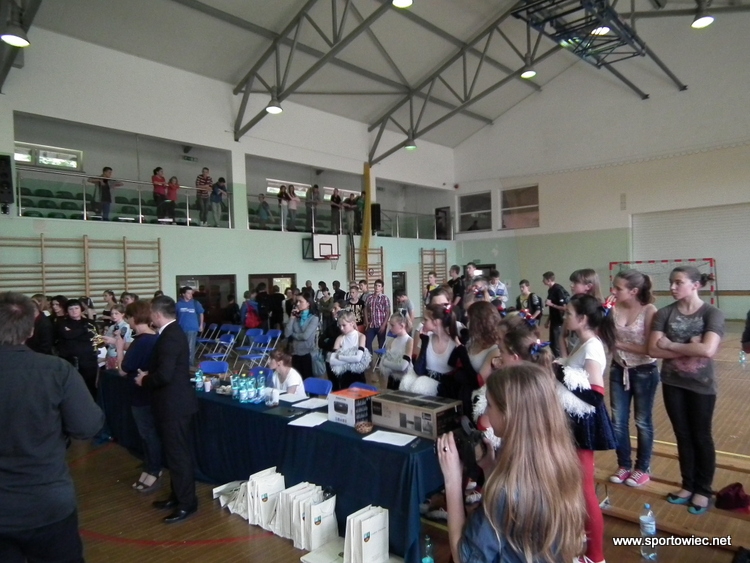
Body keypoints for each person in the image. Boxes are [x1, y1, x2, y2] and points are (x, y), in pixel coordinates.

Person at [436, 362, 586, 563]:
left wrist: (452, 481)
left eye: (489, 405)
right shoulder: (561, 465)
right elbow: (509, 526)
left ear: (508, 417)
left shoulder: (506, 490)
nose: (486, 413)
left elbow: (463, 558)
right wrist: (490, 469)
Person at [0, 292, 104, 563]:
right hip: (46, 500)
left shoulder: (58, 368)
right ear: (31, 330)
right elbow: (87, 426)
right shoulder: (57, 370)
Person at [648, 266, 723, 515]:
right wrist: (691, 346)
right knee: (682, 435)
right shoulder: (664, 313)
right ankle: (688, 485)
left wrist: (671, 344)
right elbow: (653, 349)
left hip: (701, 386)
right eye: (671, 282)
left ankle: (703, 490)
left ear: (695, 285)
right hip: (673, 383)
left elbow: (708, 350)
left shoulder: (711, 313)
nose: (672, 287)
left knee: (701, 436)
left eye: (678, 282)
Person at [562, 294, 617, 563]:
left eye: (568, 313)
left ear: (582, 319)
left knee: (585, 490)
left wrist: (560, 374)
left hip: (584, 424)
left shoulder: (593, 347)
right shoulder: (581, 342)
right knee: (576, 487)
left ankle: (596, 556)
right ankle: (581, 541)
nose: (564, 317)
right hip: (574, 421)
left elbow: (595, 394)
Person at [135, 296, 198, 523]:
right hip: (171, 405)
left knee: (178, 456)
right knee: (174, 454)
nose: (150, 317)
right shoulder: (170, 332)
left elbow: (164, 375)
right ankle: (177, 495)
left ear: (157, 314)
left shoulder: (170, 336)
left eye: (151, 313)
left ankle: (187, 503)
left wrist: (144, 379)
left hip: (175, 406)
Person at [608, 269, 659, 488]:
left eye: (618, 288)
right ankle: (624, 465)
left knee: (642, 421)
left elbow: (650, 348)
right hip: (619, 368)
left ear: (634, 291)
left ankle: (642, 468)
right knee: (618, 421)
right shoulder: (613, 308)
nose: (613, 291)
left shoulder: (649, 311)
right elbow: (604, 335)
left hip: (644, 371)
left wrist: (618, 344)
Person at [115, 300, 161, 492]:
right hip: (152, 393)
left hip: (140, 395)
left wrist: (119, 348)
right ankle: (151, 467)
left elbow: (123, 370)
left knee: (148, 434)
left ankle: (154, 470)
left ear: (133, 318)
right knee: (149, 433)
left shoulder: (140, 341)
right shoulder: (155, 337)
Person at [56, 298, 100, 398]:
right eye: (71, 309)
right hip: (71, 361)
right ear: (67, 311)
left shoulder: (90, 323)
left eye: (76, 308)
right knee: (72, 387)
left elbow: (98, 340)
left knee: (91, 387)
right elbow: (66, 335)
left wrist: (74, 333)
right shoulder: (62, 323)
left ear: (81, 309)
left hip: (89, 361)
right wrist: (84, 331)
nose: (74, 311)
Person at [413, 302, 459, 382]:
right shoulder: (426, 339)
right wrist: (424, 344)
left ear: (435, 322)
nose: (423, 322)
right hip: (427, 380)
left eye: (426, 319)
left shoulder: (454, 343)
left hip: (446, 384)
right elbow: (418, 369)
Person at [329, 311, 371, 390]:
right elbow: (332, 361)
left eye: (344, 325)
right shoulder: (339, 338)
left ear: (352, 323)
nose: (341, 328)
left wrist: (340, 357)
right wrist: (351, 360)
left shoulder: (361, 336)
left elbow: (358, 358)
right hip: (344, 377)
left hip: (358, 375)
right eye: (340, 325)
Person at [284, 293, 319, 379]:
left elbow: (305, 336)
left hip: (307, 353)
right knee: (297, 379)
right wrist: (291, 318)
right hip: (295, 352)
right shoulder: (296, 317)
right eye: (297, 301)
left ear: (308, 303)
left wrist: (293, 334)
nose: (298, 304)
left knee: (308, 379)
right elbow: (287, 333)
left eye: (300, 301)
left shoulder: (314, 318)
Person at [377, 312, 414, 389]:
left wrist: (386, 363)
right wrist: (391, 364)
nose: (390, 328)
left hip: (403, 382)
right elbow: (384, 363)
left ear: (402, 326)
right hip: (391, 379)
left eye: (392, 325)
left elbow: (402, 366)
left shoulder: (409, 341)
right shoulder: (392, 341)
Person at [176, 286, 204, 367]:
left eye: (191, 293)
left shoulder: (195, 303)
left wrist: (201, 325)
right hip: (181, 329)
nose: (190, 295)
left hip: (192, 328)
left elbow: (201, 314)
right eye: (188, 293)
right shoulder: (178, 304)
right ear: (183, 294)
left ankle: (189, 366)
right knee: (182, 348)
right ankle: (183, 364)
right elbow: (175, 316)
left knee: (190, 348)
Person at [542, 271, 568, 357]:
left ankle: (561, 361)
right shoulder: (550, 290)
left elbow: (564, 307)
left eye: (544, 279)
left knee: (557, 344)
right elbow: (552, 308)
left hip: (559, 321)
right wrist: (548, 320)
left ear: (549, 280)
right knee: (552, 344)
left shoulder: (558, 289)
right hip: (553, 320)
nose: (542, 281)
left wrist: (551, 304)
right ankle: (556, 359)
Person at [101, 303, 133, 369]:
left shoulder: (126, 326)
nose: (113, 316)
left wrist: (112, 340)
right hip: (109, 355)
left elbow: (122, 342)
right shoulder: (112, 327)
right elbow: (105, 340)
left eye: (116, 313)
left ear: (122, 314)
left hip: (119, 355)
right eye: (112, 314)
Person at [364, 279, 390, 352]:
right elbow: (365, 309)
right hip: (371, 325)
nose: (377, 287)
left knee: (381, 344)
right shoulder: (369, 297)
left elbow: (388, 312)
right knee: (367, 342)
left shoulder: (385, 298)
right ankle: (369, 356)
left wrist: (384, 325)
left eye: (379, 286)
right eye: (375, 285)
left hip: (380, 324)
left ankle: (381, 358)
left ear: (382, 288)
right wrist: (366, 322)